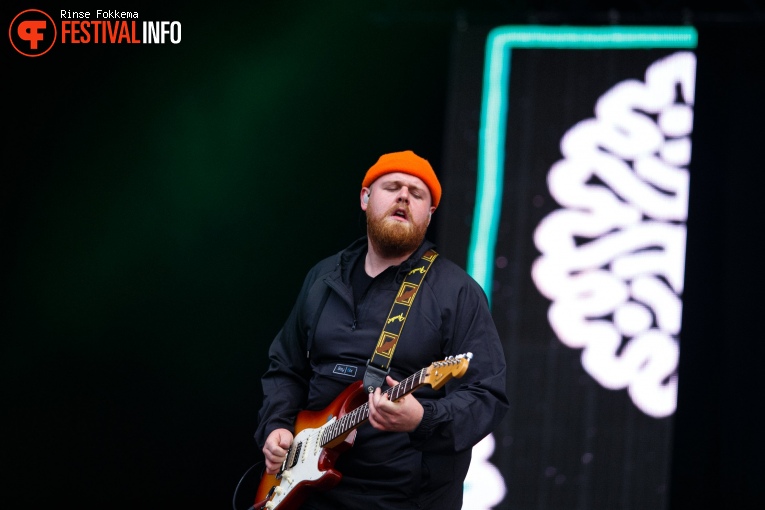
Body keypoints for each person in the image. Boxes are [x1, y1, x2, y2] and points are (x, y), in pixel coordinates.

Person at [254, 150, 509, 510]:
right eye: (392, 187)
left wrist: (423, 418)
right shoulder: (323, 278)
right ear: (365, 197)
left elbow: (487, 396)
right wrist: (277, 426)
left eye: (417, 194)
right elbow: (285, 367)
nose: (404, 196)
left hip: (400, 498)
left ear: (429, 214)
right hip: (308, 491)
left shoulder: (457, 292)